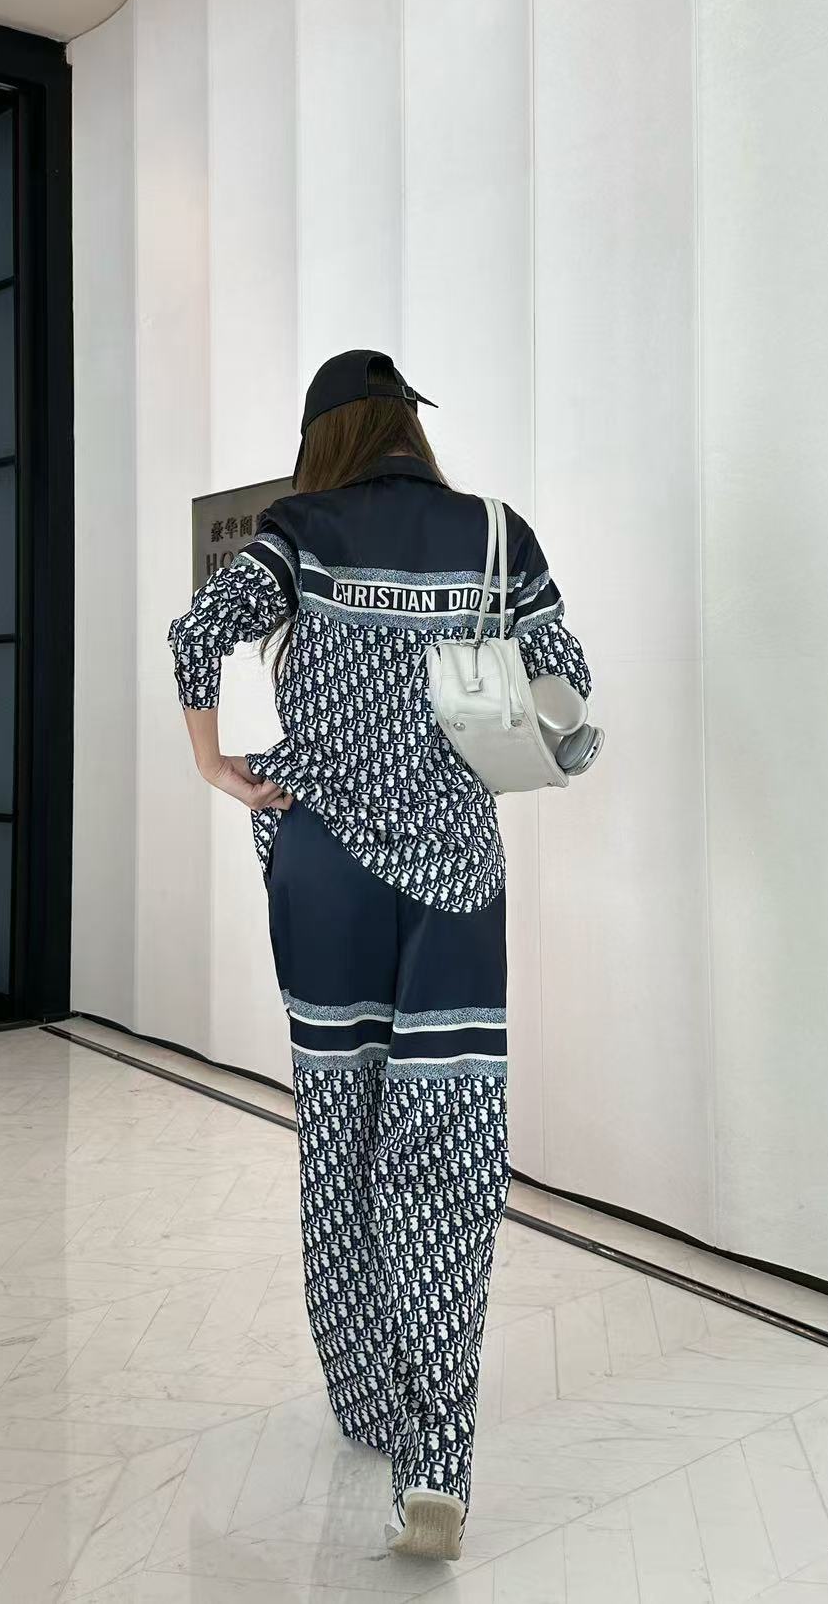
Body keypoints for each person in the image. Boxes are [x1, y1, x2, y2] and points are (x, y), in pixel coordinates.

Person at [167, 349, 591, 1561]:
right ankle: (433, 1464)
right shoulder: (496, 535)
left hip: (324, 874)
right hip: (457, 882)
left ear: (325, 439)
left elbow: (198, 638)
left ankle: (365, 1394)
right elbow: (568, 700)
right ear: (411, 427)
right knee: (447, 1152)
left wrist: (216, 766)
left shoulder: (298, 531)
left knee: (338, 1135)